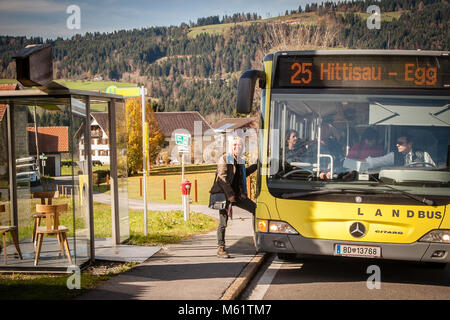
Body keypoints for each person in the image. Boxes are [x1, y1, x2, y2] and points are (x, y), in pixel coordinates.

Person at [209, 135, 257, 258]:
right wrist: (230, 195)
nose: (237, 147)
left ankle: (257, 238)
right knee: (223, 222)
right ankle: (221, 248)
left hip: (238, 195)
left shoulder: (240, 161)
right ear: (230, 147)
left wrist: (258, 165)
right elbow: (222, 178)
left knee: (255, 209)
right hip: (225, 195)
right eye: (235, 145)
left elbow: (243, 174)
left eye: (239, 145)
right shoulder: (224, 159)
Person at [366, 134, 435, 168]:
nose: (397, 145)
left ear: (409, 144)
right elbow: (376, 161)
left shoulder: (424, 155)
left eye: (400, 143)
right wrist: (358, 163)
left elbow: (433, 171)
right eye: (397, 143)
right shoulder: (394, 156)